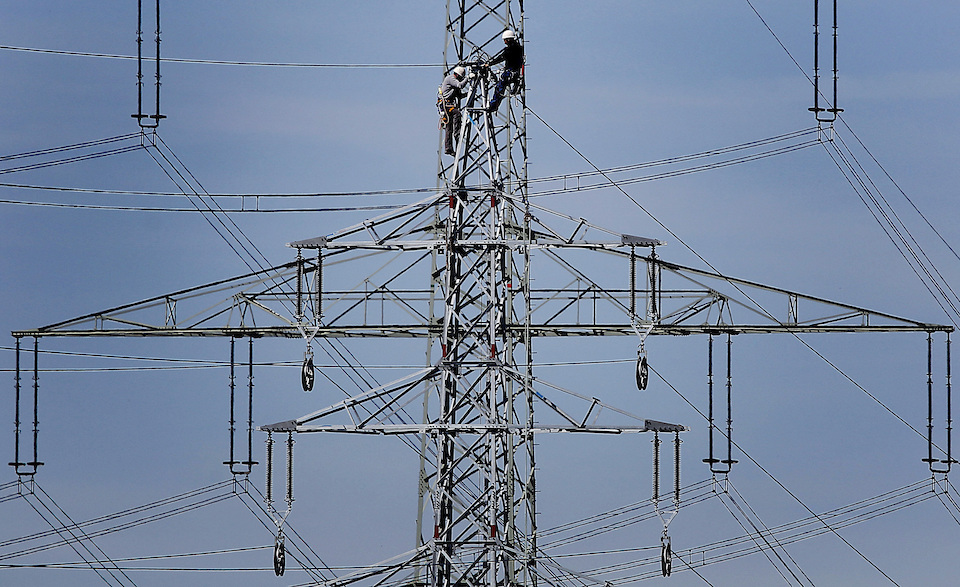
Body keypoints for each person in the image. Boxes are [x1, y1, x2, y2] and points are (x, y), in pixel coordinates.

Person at [486, 29, 523, 113]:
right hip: (516, 73)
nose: (504, 42)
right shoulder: (519, 48)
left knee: (499, 87)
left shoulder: (509, 50)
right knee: (500, 86)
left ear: (508, 40)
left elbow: (501, 58)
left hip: (510, 73)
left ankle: (493, 105)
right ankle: (516, 87)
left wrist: (489, 64)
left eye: (505, 40)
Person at [441, 65, 467, 156]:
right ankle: (457, 133)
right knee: (457, 114)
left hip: (448, 106)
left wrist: (469, 93)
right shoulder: (451, 79)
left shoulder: (454, 84)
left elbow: (460, 95)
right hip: (446, 105)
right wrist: (468, 78)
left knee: (449, 128)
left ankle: (449, 148)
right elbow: (460, 85)